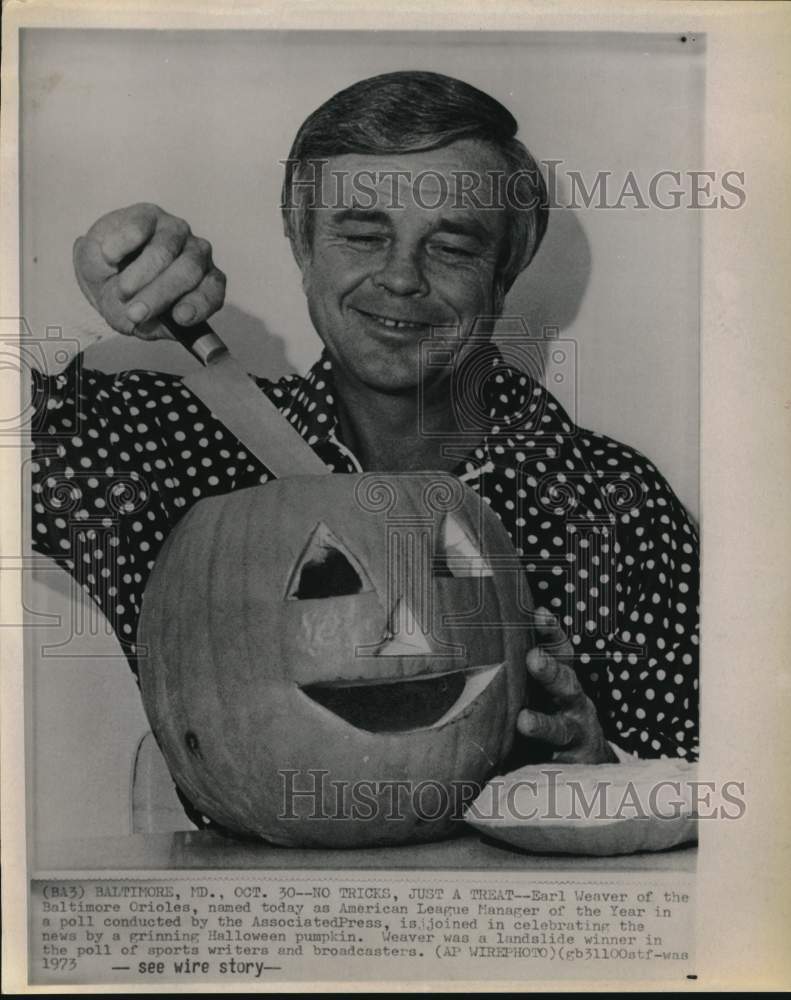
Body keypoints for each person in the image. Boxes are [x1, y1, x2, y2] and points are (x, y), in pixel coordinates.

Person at [31, 72, 699, 818]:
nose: (400, 277)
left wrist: (608, 775)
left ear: (504, 273)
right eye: (361, 234)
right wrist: (77, 288)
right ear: (301, 242)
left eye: (449, 247)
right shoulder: (177, 449)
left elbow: (733, 794)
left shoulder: (611, 501)